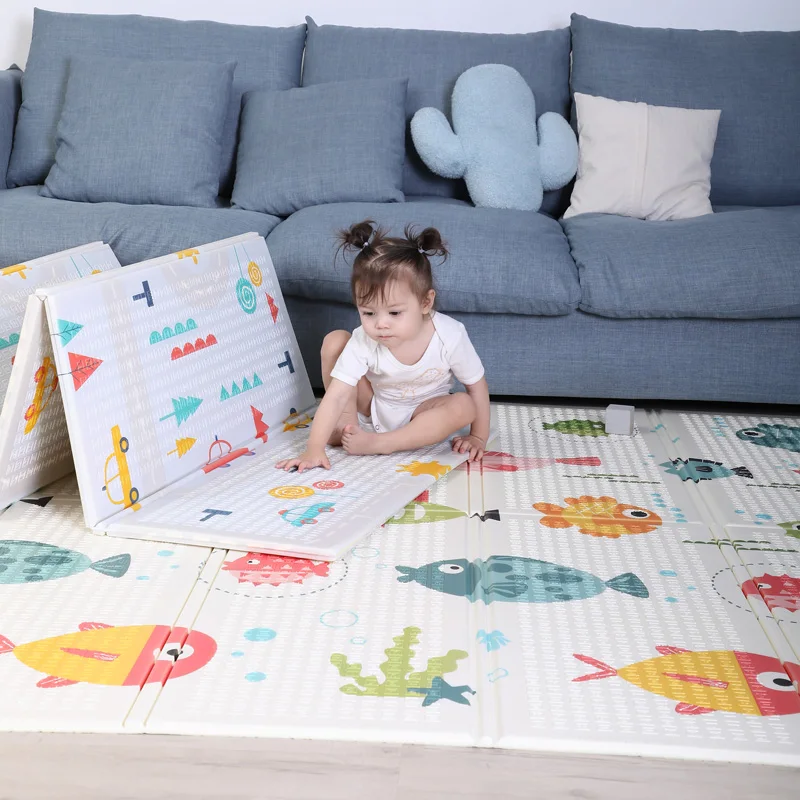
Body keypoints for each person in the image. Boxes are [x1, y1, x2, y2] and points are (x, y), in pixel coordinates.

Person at [276, 219, 490, 473]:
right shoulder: (364, 339)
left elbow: (476, 385)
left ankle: (384, 443)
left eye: (394, 313)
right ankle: (345, 427)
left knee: (464, 405)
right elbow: (336, 395)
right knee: (336, 341)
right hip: (374, 405)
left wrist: (478, 437)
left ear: (425, 302)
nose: (381, 324)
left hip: (424, 413)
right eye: (368, 313)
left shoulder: (450, 334)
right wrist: (313, 449)